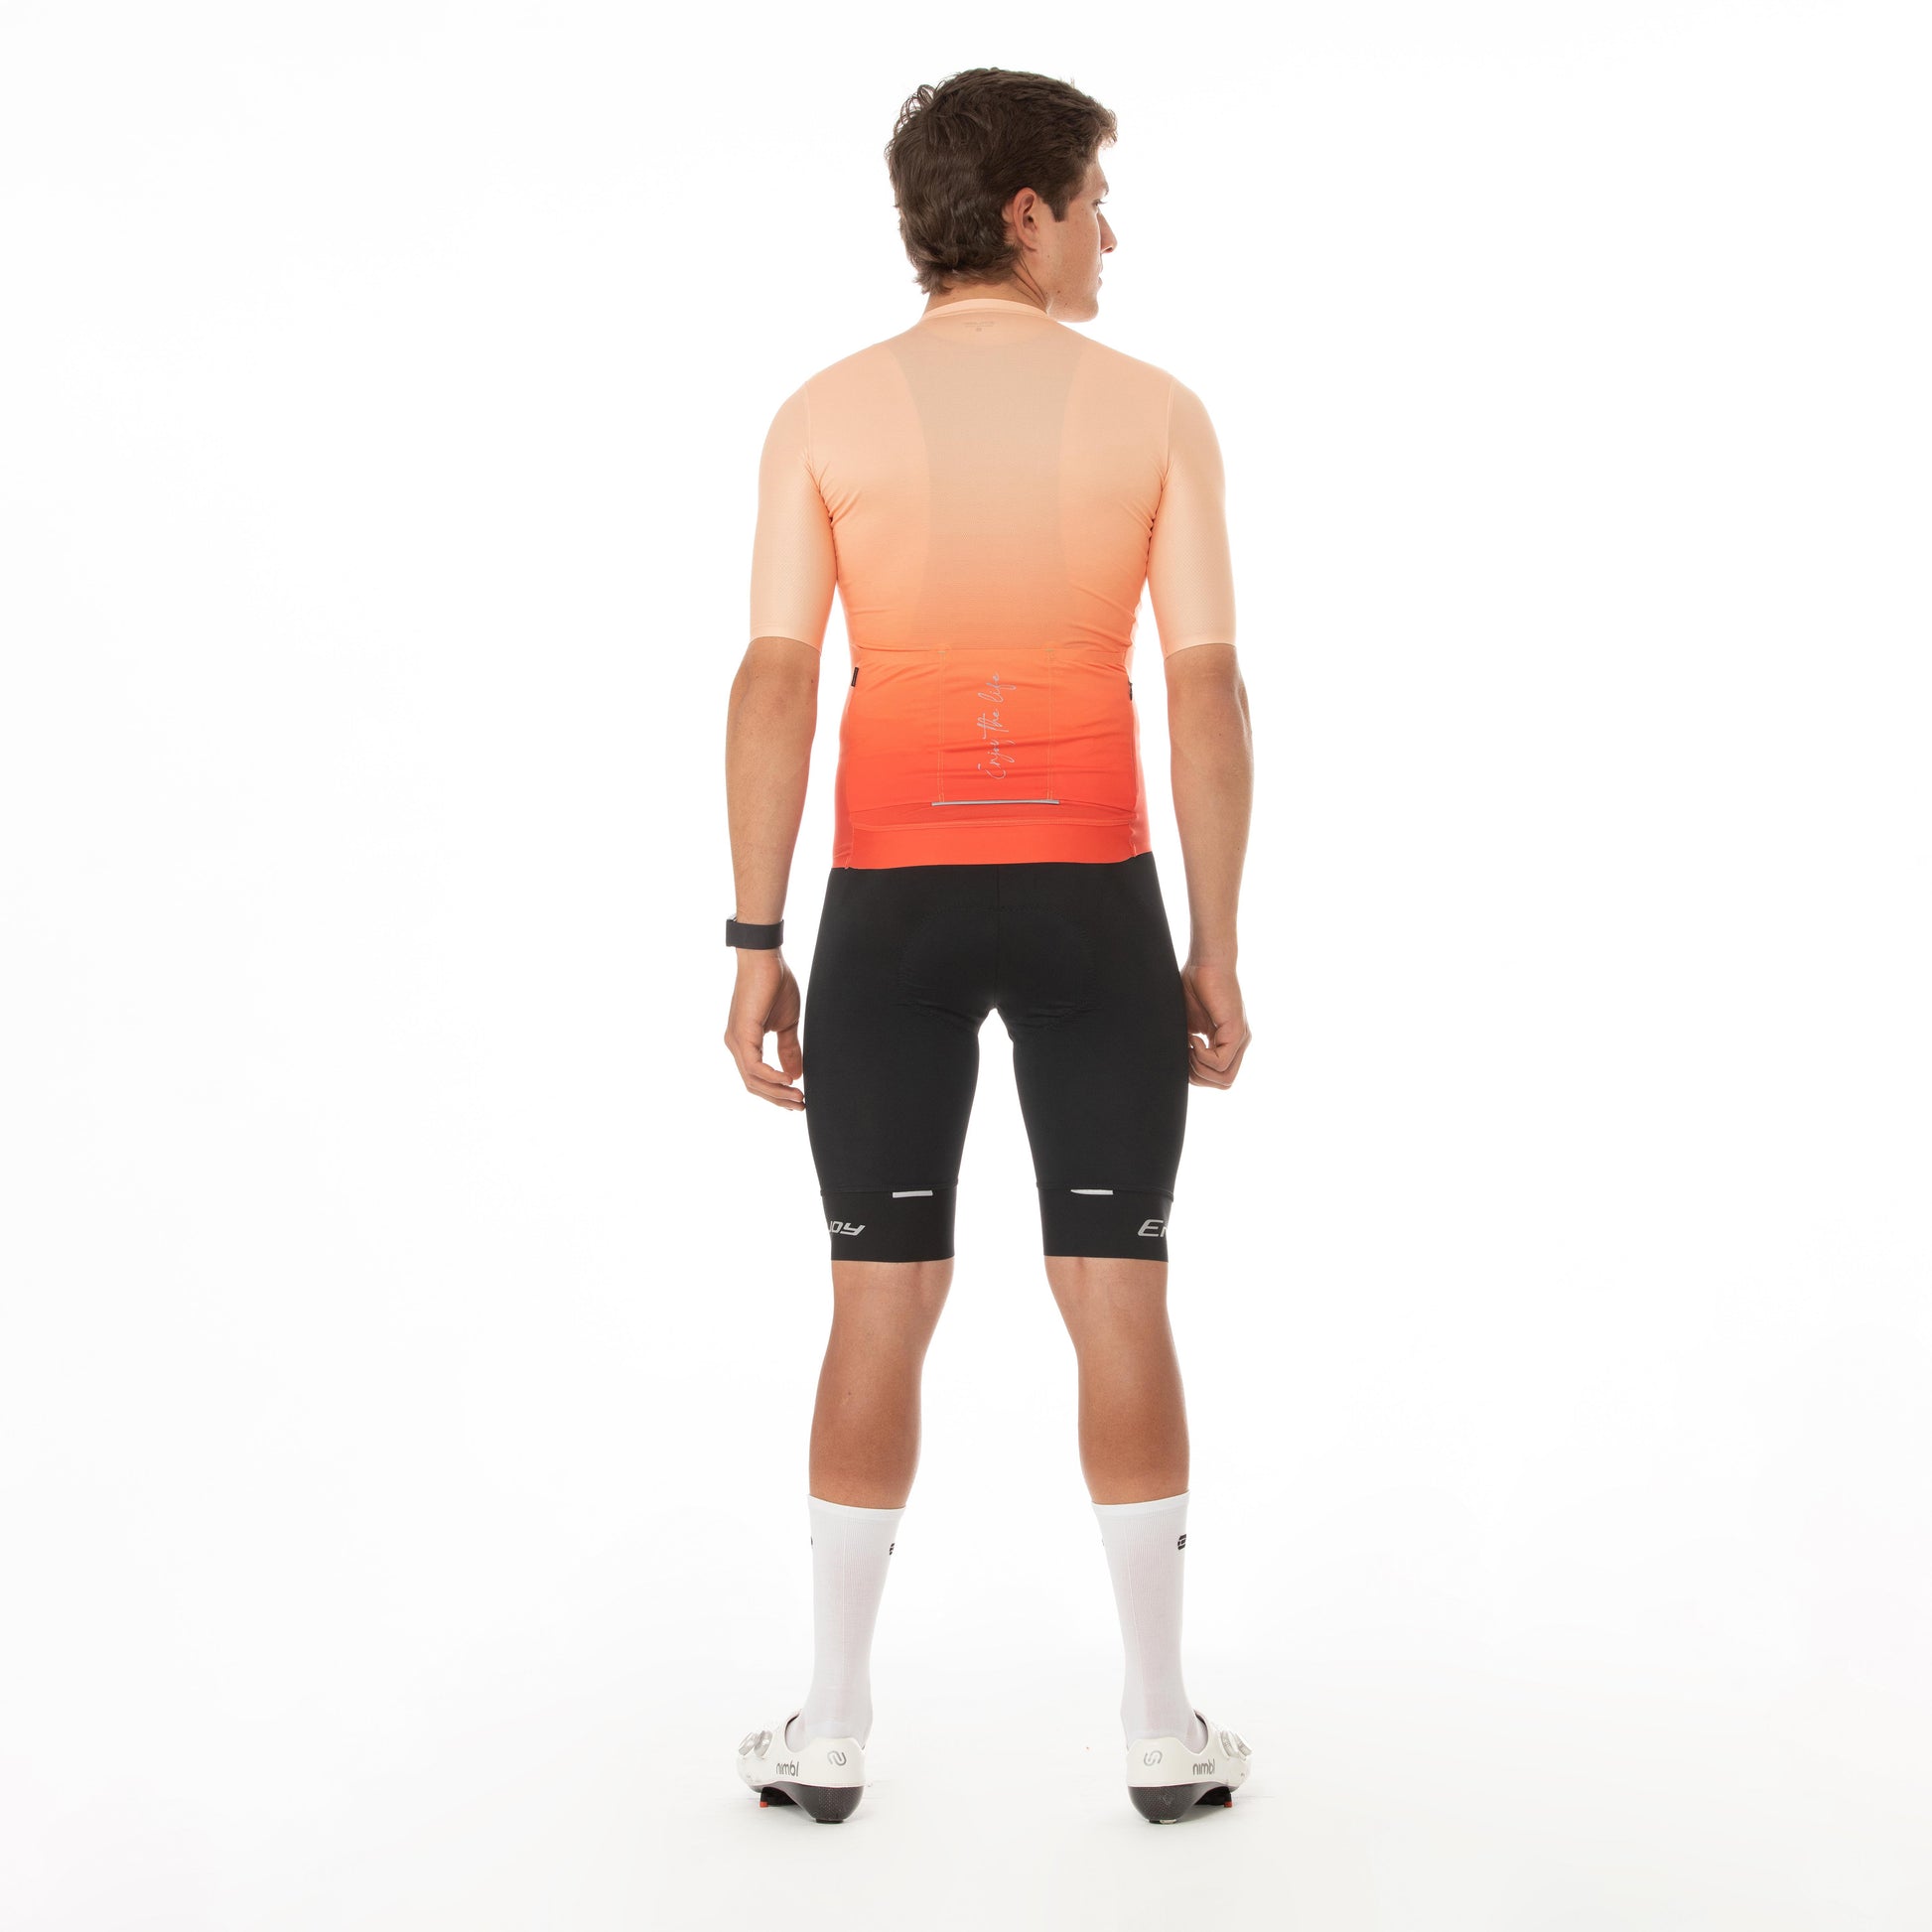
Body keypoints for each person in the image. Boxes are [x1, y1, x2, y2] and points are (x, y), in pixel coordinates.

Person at [723, 67, 1254, 1825]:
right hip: (1093, 896)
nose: (1111, 232)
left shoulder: (823, 413)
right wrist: (1211, 940)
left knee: (878, 1299)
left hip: (892, 906)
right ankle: (1161, 1729)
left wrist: (755, 936)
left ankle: (828, 1727)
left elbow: (777, 679)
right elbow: (1204, 692)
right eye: (1095, 198)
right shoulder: (1155, 412)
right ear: (1024, 213)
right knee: (1118, 1289)